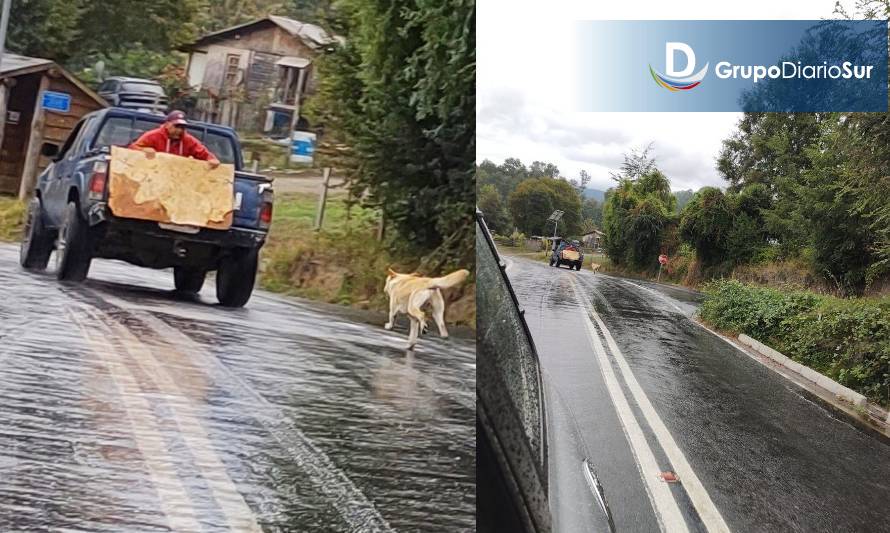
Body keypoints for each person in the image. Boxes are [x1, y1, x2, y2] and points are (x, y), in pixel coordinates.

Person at [129, 110, 220, 169]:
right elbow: (132, 148)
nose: (179, 130)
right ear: (167, 124)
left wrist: (212, 160)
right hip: (153, 176)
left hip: (176, 181)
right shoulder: (153, 136)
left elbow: (204, 154)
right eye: (176, 126)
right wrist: (143, 150)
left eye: (182, 127)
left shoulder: (188, 140)